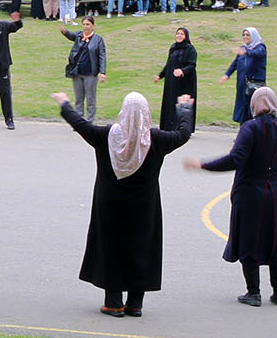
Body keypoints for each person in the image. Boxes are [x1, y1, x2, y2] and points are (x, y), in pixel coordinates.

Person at [183, 86, 277, 306]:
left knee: (249, 239)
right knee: (276, 240)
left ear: (254, 105)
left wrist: (203, 164)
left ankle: (253, 292)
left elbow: (235, 159)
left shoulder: (250, 128)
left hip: (249, 195)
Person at [52, 88, 197, 317]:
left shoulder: (106, 136)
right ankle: (135, 303)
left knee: (111, 247)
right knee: (140, 248)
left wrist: (65, 104)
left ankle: (113, 301)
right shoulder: (157, 140)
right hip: (144, 206)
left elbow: (80, 124)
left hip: (109, 204)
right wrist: (185, 109)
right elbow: (183, 133)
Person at [60, 17, 108, 123]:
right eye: (84, 24)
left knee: (90, 98)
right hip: (77, 72)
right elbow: (70, 35)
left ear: (93, 26)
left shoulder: (98, 40)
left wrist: (103, 72)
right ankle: (79, 120)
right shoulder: (78, 36)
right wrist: (64, 32)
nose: (85, 27)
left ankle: (90, 120)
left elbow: (102, 56)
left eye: (88, 24)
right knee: (79, 98)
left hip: (90, 73)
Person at [157, 27, 197, 132]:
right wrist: (160, 76)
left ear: (186, 36)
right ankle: (168, 126)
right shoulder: (173, 48)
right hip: (172, 81)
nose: (179, 36)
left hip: (185, 82)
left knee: (181, 103)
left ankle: (183, 128)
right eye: (177, 34)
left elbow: (192, 65)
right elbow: (168, 64)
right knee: (170, 101)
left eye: (182, 34)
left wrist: (182, 71)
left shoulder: (190, 49)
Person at [226, 28, 268, 123]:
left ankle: (254, 135)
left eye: (248, 35)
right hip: (243, 85)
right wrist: (227, 74)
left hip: (254, 85)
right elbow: (235, 63)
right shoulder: (243, 48)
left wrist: (246, 52)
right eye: (244, 35)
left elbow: (256, 54)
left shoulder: (260, 47)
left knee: (253, 111)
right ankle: (244, 134)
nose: (245, 37)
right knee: (243, 110)